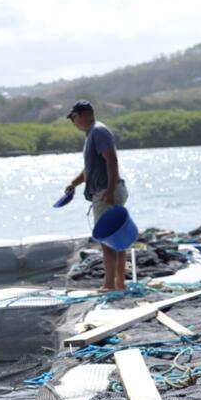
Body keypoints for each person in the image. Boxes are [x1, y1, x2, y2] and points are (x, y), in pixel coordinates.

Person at [63, 100, 129, 291]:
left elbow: (112, 160)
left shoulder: (98, 131)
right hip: (107, 190)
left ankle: (110, 285)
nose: (73, 122)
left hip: (107, 191)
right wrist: (74, 183)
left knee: (108, 239)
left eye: (74, 118)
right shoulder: (93, 133)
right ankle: (119, 284)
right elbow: (91, 168)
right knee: (117, 238)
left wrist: (109, 190)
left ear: (83, 115)